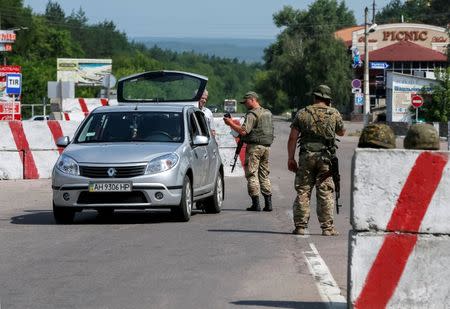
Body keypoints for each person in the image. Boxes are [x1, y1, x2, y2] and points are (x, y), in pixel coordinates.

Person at [287, 85, 345, 236]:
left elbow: (293, 137)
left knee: (303, 190)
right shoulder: (334, 113)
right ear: (328, 99)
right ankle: (327, 228)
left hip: (306, 157)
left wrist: (291, 158)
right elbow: (342, 132)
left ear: (315, 97)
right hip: (325, 158)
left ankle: (300, 226)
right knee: (325, 191)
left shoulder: (302, 113)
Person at [223, 91, 274, 211]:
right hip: (266, 147)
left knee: (251, 174)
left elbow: (243, 131)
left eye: (246, 102)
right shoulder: (267, 112)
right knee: (264, 174)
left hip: (254, 148)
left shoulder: (252, 114)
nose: (245, 104)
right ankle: (268, 203)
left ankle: (256, 204)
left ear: (252, 99)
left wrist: (230, 123)